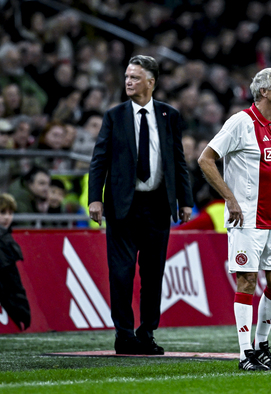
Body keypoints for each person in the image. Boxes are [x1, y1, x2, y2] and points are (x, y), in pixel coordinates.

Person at [88, 55, 193, 355]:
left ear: (151, 82)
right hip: (123, 206)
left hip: (158, 205)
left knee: (153, 273)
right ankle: (124, 335)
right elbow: (99, 160)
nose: (129, 82)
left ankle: (146, 333)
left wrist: (184, 199)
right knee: (120, 273)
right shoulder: (114, 115)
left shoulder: (169, 115)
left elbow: (178, 161)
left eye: (135, 77)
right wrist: (95, 198)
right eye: (126, 77)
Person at [198, 68, 271, 371]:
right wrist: (230, 197)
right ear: (264, 92)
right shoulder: (241, 122)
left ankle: (262, 345)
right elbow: (205, 159)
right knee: (248, 280)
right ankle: (244, 353)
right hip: (247, 218)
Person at [0, 193, 31, 330]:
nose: (7, 217)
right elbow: (10, 281)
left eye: (10, 213)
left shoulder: (3, 236)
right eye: (2, 212)